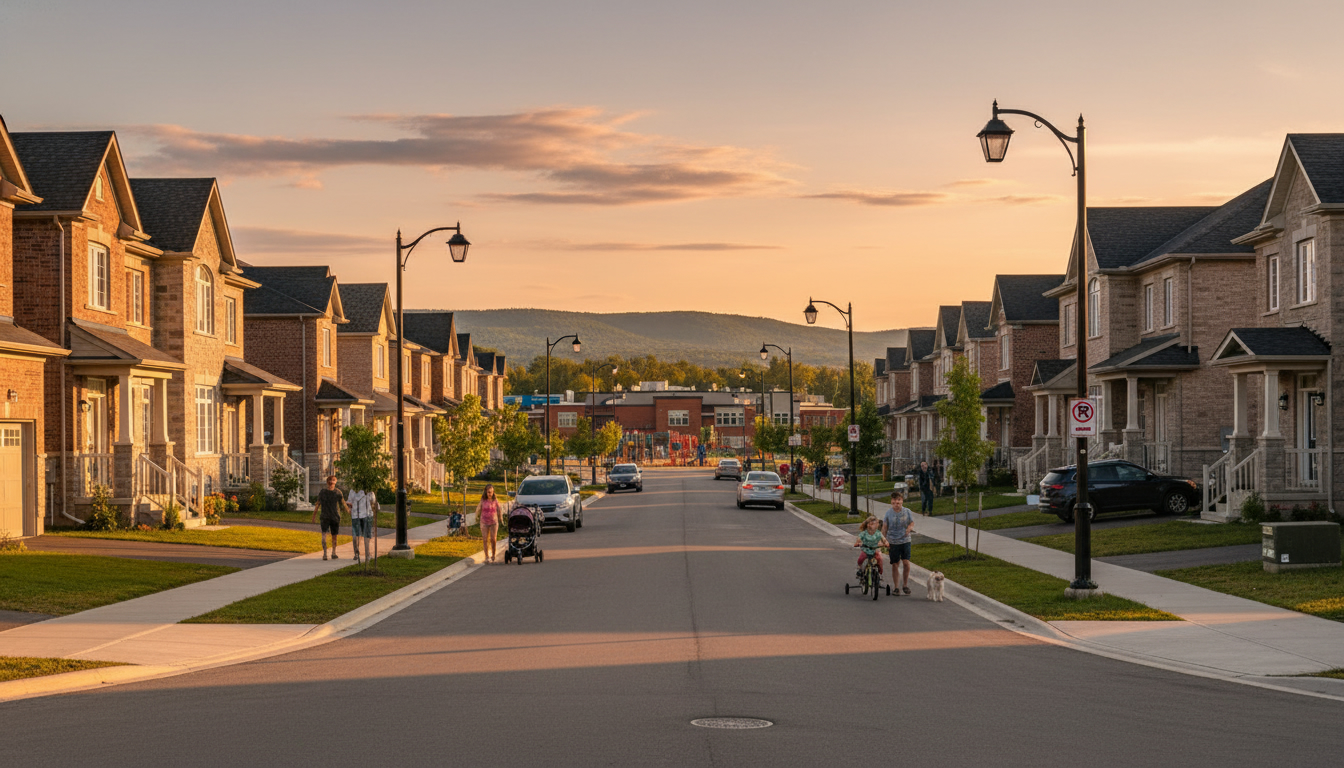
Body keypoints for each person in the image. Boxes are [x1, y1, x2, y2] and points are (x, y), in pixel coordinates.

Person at [882, 489, 916, 595]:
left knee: (906, 562)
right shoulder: (888, 513)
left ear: (902, 501)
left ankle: (905, 585)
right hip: (893, 541)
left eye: (898, 501)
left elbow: (912, 523)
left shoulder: (907, 511)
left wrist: (909, 528)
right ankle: (896, 587)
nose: (896, 504)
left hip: (905, 540)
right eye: (894, 502)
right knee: (895, 563)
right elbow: (885, 527)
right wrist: (883, 539)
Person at [312, 475, 349, 561]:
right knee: (326, 536)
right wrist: (314, 515)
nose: (332, 482)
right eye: (331, 480)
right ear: (328, 482)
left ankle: (331, 553)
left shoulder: (336, 492)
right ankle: (328, 553)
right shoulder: (327, 492)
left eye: (333, 480)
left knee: (332, 535)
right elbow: (318, 504)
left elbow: (343, 503)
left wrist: (348, 511)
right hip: (327, 517)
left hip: (333, 517)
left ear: (335, 482)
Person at [346, 486, 379, 563]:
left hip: (367, 515)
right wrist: (349, 507)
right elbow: (349, 502)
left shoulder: (368, 489)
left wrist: (370, 494)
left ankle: (367, 555)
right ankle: (357, 553)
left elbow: (373, 500)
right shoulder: (353, 490)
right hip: (356, 515)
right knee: (356, 536)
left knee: (366, 536)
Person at [852, 515, 888, 581]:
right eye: (874, 524)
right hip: (866, 549)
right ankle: (859, 569)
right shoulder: (864, 533)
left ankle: (880, 573)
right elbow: (859, 539)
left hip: (875, 550)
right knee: (861, 558)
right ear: (868, 525)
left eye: (877, 524)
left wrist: (886, 543)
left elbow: (884, 539)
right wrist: (858, 543)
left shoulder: (878, 533)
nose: (876, 525)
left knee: (879, 559)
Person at [477, 485, 504, 563]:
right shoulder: (483, 500)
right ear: (486, 492)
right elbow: (479, 508)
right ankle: (486, 556)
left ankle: (493, 555)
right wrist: (476, 516)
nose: (490, 494)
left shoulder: (495, 500)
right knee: (485, 539)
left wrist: (501, 518)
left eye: (491, 492)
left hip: (493, 522)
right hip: (484, 522)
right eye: (489, 492)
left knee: (493, 539)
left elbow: (499, 509)